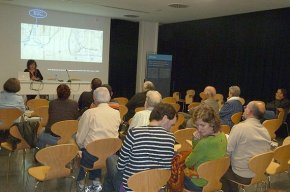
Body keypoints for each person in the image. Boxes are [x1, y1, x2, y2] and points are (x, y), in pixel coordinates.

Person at [102, 103, 177, 192]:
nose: (170, 128)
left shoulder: (135, 132)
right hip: (157, 187)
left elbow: (121, 165)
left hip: (132, 188)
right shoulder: (171, 138)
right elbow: (166, 167)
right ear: (164, 118)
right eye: (171, 125)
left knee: (111, 159)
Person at [76, 87, 121, 192]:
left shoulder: (89, 113)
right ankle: (95, 180)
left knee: (81, 146)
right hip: (111, 157)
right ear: (109, 98)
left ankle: (81, 181)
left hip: (91, 159)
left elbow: (80, 139)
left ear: (94, 99)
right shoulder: (116, 113)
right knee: (98, 146)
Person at [221, 101, 271, 192]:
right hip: (260, 173)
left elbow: (226, 151)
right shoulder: (265, 130)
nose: (244, 109)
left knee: (217, 169)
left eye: (246, 107)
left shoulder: (239, 128)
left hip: (242, 176)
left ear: (249, 112)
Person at [183, 104, 227, 191]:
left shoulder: (204, 143)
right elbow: (198, 151)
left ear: (212, 123)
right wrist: (196, 140)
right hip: (215, 179)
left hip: (199, 183)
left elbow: (188, 163)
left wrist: (195, 140)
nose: (199, 129)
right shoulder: (222, 136)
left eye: (202, 125)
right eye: (197, 126)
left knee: (175, 171)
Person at [36, 84, 79, 148]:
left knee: (39, 134)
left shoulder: (52, 103)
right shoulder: (75, 104)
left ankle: (43, 153)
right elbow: (75, 118)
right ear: (69, 93)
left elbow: (50, 116)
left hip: (52, 136)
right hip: (68, 136)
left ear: (57, 93)